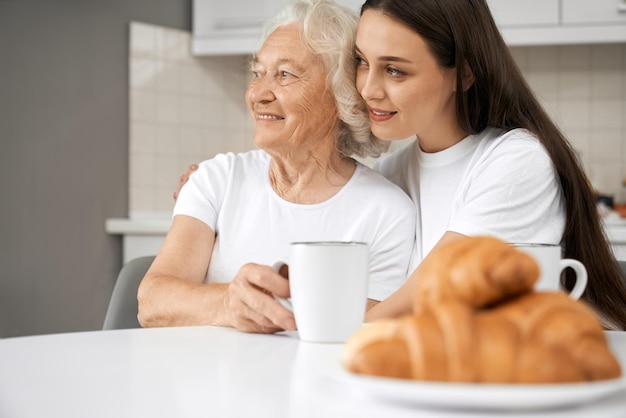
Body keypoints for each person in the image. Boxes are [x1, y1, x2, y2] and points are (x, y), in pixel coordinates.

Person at [175, 0, 626, 330]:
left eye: (395, 70)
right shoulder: (396, 172)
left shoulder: (515, 161)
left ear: (464, 73)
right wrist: (211, 194)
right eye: (362, 63)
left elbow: (414, 306)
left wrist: (278, 314)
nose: (368, 89)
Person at [137, 0, 416, 334]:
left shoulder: (386, 211)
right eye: (257, 73)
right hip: (205, 380)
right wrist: (226, 302)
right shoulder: (216, 180)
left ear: (342, 96)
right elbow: (151, 301)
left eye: (285, 75)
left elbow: (359, 335)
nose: (257, 93)